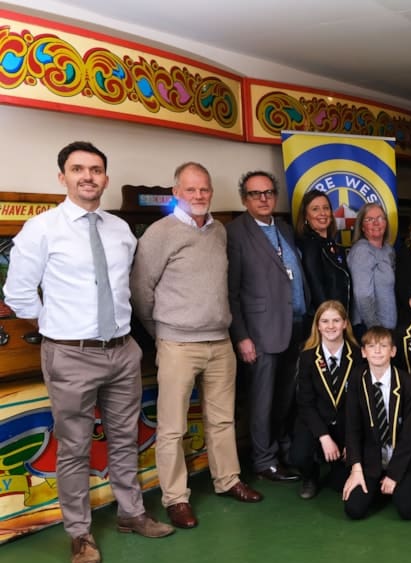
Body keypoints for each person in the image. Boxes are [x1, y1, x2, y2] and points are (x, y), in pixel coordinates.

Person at [3, 141, 174, 563]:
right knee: (75, 447)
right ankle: (79, 535)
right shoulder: (41, 230)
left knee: (125, 437)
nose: (88, 176)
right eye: (78, 169)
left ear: (105, 178)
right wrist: (58, 325)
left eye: (95, 170)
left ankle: (131, 514)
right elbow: (18, 294)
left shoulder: (119, 230)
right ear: (62, 177)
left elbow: (126, 286)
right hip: (70, 354)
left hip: (121, 351)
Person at [131, 161, 263, 531]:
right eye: (190, 189)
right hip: (177, 343)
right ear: (176, 192)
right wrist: (161, 330)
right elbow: (140, 291)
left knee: (222, 419)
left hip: (220, 341)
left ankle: (227, 480)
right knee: (172, 427)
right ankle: (175, 498)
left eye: (204, 189)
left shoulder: (218, 231)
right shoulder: (159, 233)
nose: (199, 195)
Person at [227, 170, 308, 482]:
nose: (263, 199)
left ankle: (284, 451)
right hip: (260, 333)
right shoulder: (235, 233)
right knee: (262, 401)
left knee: (286, 397)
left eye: (268, 193)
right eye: (255, 194)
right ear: (244, 199)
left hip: (295, 325)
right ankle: (264, 461)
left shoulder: (284, 228)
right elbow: (232, 292)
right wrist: (242, 337)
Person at [341, 326, 411, 520]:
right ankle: (377, 488)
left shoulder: (409, 385)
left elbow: (409, 436)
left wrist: (393, 475)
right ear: (363, 352)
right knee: (354, 510)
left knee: (409, 510)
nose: (377, 351)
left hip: (400, 459)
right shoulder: (356, 380)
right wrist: (356, 469)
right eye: (371, 346)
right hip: (371, 459)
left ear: (393, 351)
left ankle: (389, 484)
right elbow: (352, 428)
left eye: (383, 346)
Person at [290, 301, 358, 500]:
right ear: (318, 326)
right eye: (325, 321)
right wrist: (324, 437)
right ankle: (310, 476)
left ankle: (336, 466)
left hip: (345, 424)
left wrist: (351, 441)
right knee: (298, 456)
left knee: (339, 484)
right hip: (316, 420)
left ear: (345, 324)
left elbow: (360, 403)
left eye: (336, 320)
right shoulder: (308, 357)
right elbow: (305, 404)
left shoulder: (357, 355)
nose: (330, 326)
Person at [295, 189, 351, 313]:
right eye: (315, 209)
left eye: (326, 208)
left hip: (341, 316)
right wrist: (330, 318)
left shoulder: (333, 245)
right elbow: (316, 289)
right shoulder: (309, 246)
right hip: (328, 318)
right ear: (306, 216)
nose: (322, 213)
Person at [347, 203, 396, 336]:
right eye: (369, 219)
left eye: (380, 218)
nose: (376, 223)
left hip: (387, 326)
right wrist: (374, 328)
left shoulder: (388, 250)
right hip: (370, 329)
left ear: (386, 223)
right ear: (362, 227)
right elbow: (363, 295)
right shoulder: (362, 250)